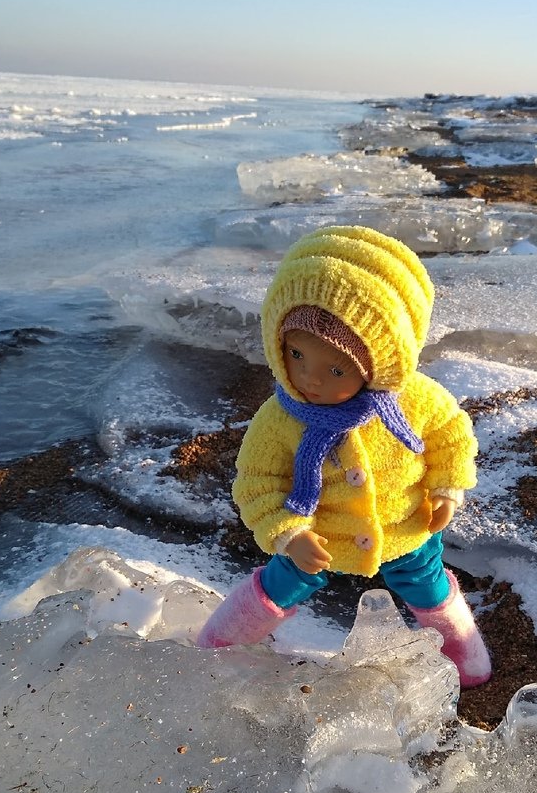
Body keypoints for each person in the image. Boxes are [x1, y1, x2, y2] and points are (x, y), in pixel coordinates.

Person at [197, 225, 491, 687]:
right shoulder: (280, 418)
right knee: (280, 583)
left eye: (336, 368)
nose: (310, 378)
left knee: (429, 586)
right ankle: (219, 644)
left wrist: (448, 488)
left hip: (404, 527)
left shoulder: (415, 400)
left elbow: (451, 434)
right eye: (295, 354)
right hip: (320, 534)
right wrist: (287, 531)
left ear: (379, 362)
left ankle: (464, 655)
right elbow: (256, 481)